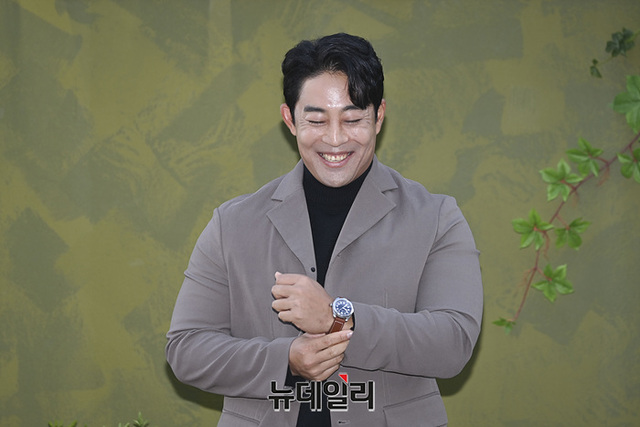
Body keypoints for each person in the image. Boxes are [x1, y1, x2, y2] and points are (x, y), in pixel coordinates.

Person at [166, 33, 483, 427]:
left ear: (379, 116)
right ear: (289, 119)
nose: (335, 139)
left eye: (353, 119)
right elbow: (187, 350)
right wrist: (285, 359)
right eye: (316, 120)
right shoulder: (232, 223)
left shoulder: (436, 218)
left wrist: (340, 319)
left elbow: (453, 342)